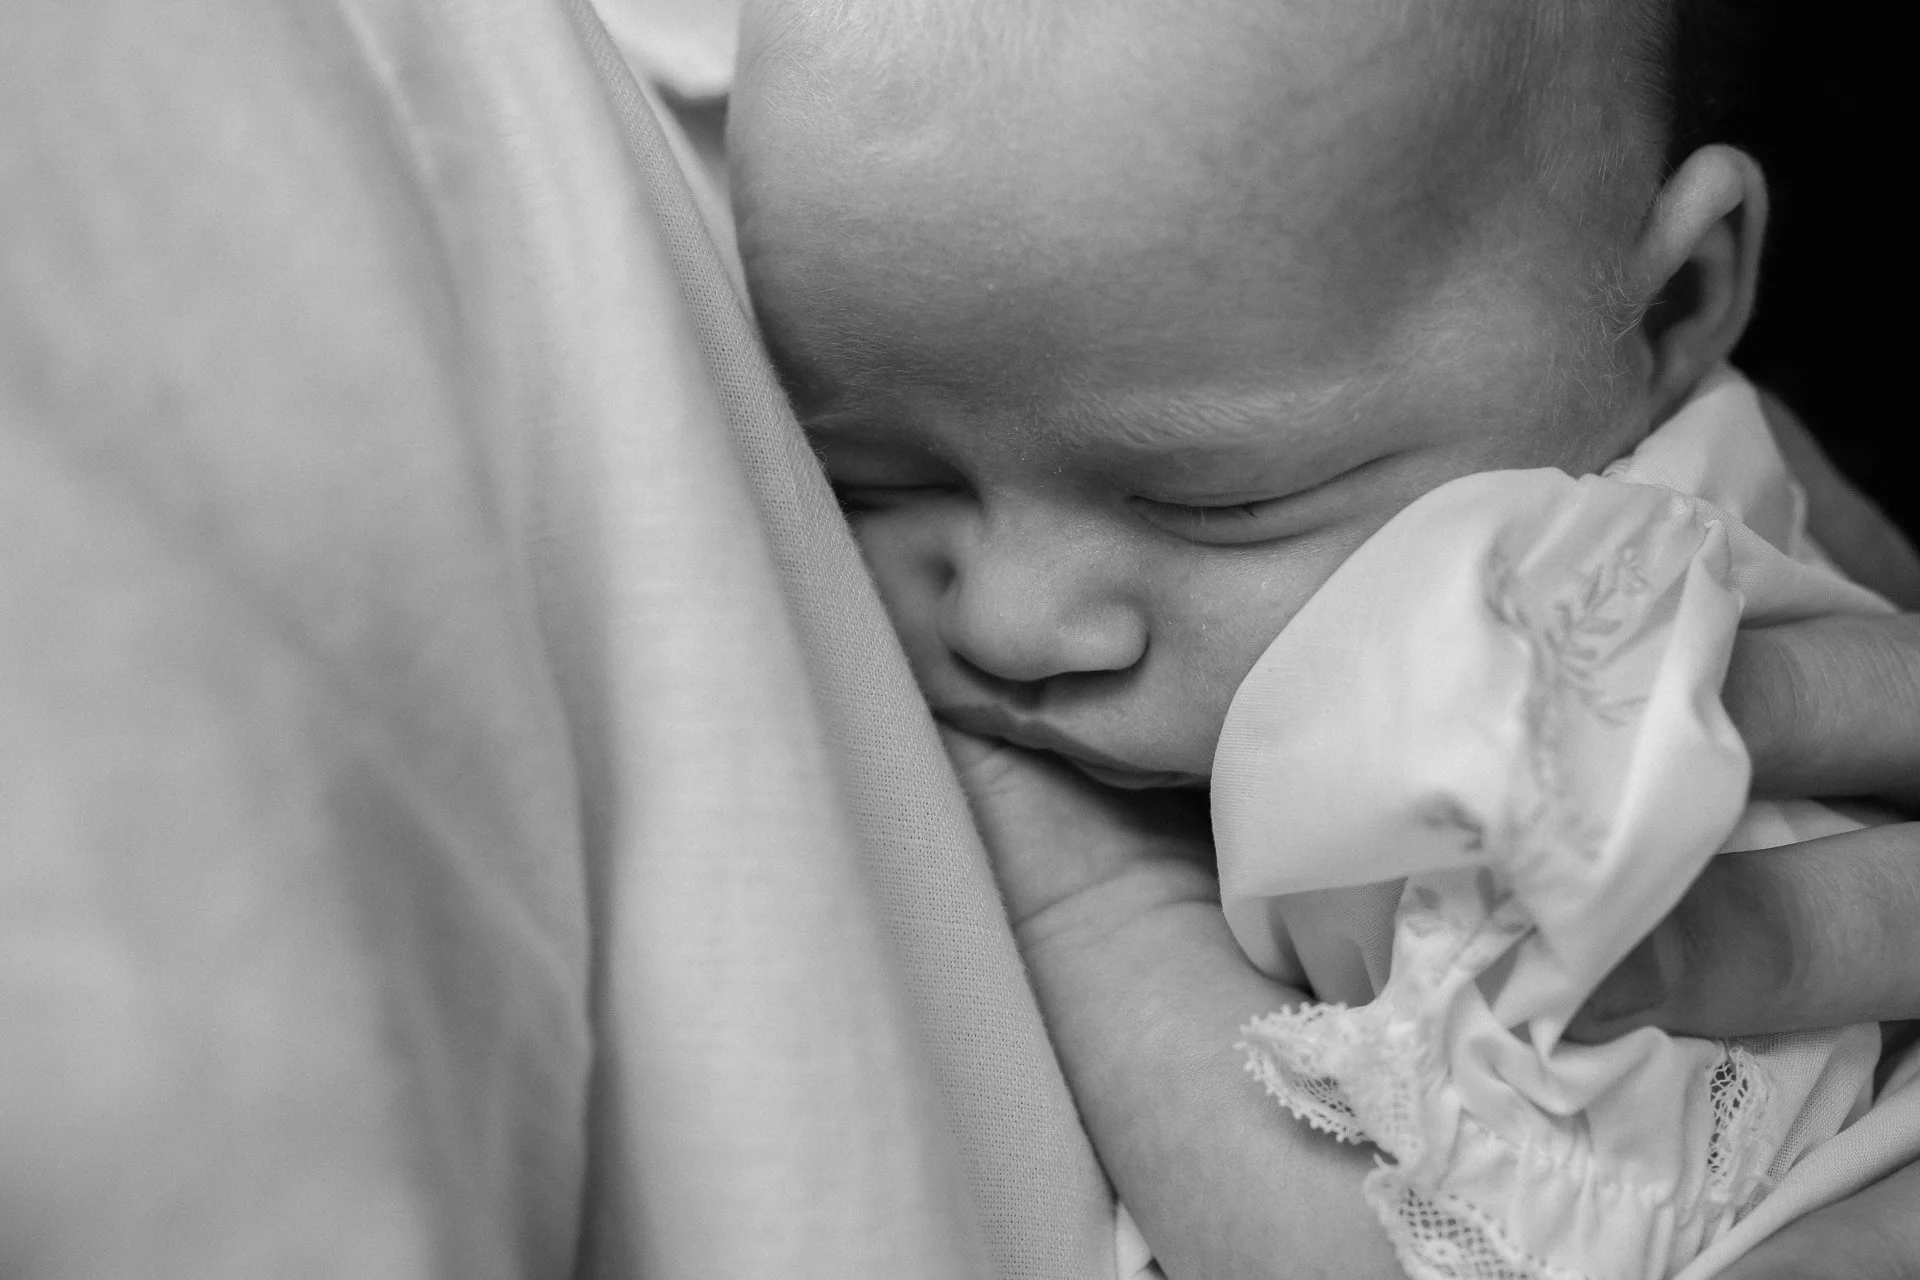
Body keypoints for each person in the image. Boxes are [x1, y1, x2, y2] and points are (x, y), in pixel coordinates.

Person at [724, 0, 1920, 1274]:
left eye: (1216, 500)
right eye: (872, 473)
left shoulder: (1513, 664)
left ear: (1664, 311)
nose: (1008, 618)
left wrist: (1100, 901)